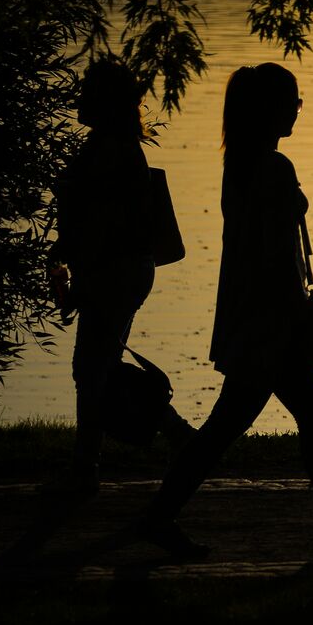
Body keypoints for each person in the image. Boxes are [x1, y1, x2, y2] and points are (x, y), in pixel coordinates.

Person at [135, 63, 313, 557]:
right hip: (271, 320)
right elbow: (275, 251)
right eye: (294, 102)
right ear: (271, 109)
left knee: (233, 423)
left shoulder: (240, 163)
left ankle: (159, 515)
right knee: (295, 414)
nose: (298, 110)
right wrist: (292, 316)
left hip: (251, 314)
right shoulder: (273, 167)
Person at [48, 58, 194, 497]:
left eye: (88, 91)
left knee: (91, 369)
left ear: (105, 102)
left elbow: (105, 224)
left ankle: (86, 469)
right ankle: (178, 435)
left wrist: (82, 279)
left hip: (115, 272)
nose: (79, 99)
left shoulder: (109, 150)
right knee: (98, 367)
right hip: (122, 271)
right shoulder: (114, 145)